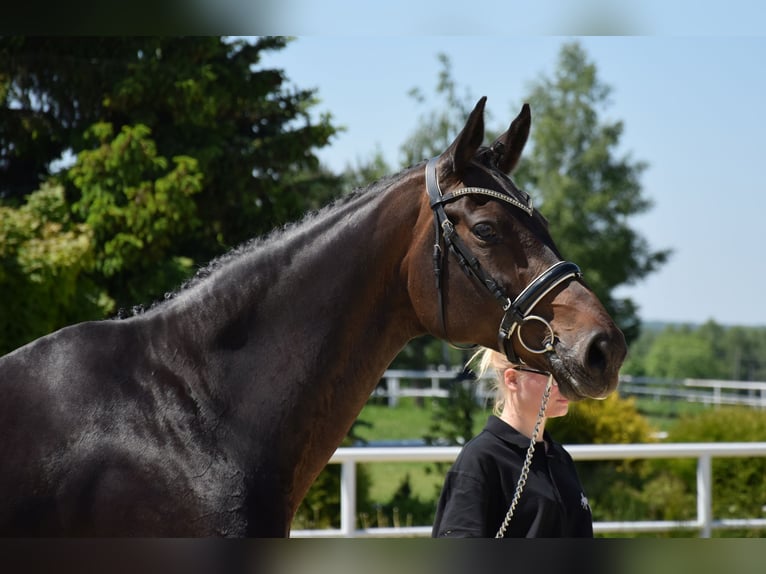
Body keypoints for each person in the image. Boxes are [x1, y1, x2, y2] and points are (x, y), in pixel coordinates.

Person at [431, 348, 593, 538]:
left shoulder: (560, 457)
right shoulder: (481, 458)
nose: (567, 386)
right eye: (553, 375)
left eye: (567, 373)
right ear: (512, 379)